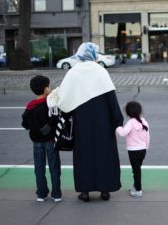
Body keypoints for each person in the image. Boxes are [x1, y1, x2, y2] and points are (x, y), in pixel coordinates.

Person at [47, 42, 124, 202]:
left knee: (83, 157)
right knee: (105, 155)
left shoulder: (73, 73)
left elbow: (64, 100)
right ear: (94, 55)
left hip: (81, 124)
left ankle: (85, 191)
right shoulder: (101, 71)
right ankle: (105, 190)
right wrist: (117, 120)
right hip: (103, 123)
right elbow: (111, 99)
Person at [21, 75, 61, 202]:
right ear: (45, 89)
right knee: (54, 168)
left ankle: (41, 194)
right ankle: (56, 194)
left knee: (39, 168)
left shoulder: (30, 106)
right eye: (49, 86)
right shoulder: (50, 104)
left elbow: (25, 124)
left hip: (36, 142)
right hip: (50, 141)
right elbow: (56, 120)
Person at [116, 101, 150, 197]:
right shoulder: (144, 121)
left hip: (133, 151)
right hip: (143, 150)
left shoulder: (131, 122)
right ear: (139, 111)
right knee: (137, 169)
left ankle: (138, 190)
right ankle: (135, 186)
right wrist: (146, 148)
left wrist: (117, 127)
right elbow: (148, 137)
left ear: (128, 113)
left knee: (136, 170)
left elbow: (123, 133)